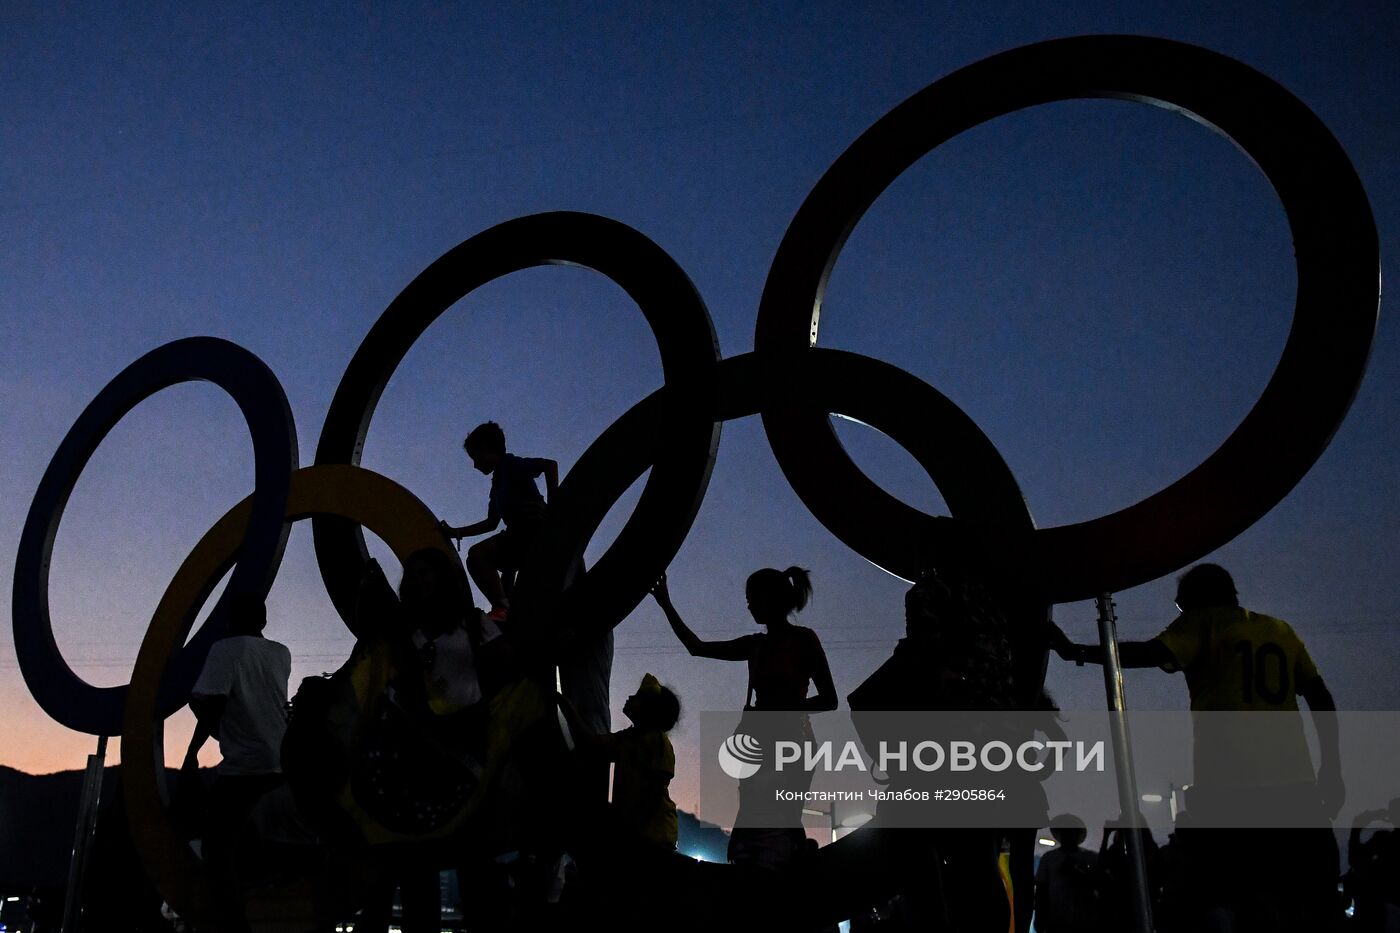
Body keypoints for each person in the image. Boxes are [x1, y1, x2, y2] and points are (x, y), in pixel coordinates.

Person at [1049, 563, 1343, 932]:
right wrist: (1331, 766)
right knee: (1309, 889)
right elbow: (1320, 696)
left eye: (1180, 608)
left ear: (1196, 601)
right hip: (1295, 782)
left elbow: (1149, 653)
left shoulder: (1205, 623)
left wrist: (1074, 651)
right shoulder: (1280, 630)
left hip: (1229, 781)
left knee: (1221, 890)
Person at [651, 566, 836, 867]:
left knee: (778, 821)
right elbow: (696, 648)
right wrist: (666, 604)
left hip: (791, 746)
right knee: (760, 822)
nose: (748, 605)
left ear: (770, 598)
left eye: (752, 598)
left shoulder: (803, 640)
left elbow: (830, 699)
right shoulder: (756, 645)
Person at [189, 593, 292, 933]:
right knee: (271, 836)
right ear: (263, 621)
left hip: (244, 766)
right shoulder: (281, 654)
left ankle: (234, 925)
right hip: (283, 761)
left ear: (230, 621)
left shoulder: (225, 650)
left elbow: (211, 702)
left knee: (217, 851)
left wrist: (202, 744)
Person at [441, 420, 558, 622]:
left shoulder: (511, 464)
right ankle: (507, 609)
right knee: (501, 580)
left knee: (478, 556)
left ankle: (502, 607)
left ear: (489, 449)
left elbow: (549, 465)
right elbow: (491, 523)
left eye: (476, 457)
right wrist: (456, 532)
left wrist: (555, 504)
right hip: (516, 537)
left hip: (531, 532)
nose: (475, 464)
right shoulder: (498, 482)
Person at [588, 673, 681, 852]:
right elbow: (590, 743)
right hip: (639, 834)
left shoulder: (656, 741)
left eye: (638, 697)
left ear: (649, 709)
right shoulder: (627, 738)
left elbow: (653, 794)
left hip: (652, 837)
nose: (630, 697)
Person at [1033, 815, 1105, 933]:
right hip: (1076, 921)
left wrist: (1040, 919)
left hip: (1068, 921)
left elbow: (1041, 891)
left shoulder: (1050, 858)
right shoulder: (1090, 858)